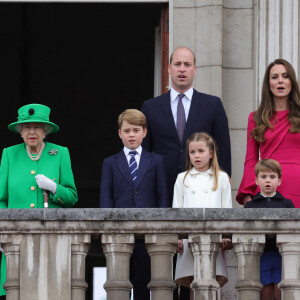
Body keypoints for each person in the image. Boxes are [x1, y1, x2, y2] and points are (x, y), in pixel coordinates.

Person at [0, 103, 78, 299]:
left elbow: (71, 197)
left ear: (46, 130)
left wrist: (54, 188)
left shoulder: (60, 153)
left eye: (37, 127)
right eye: (26, 127)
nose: (32, 132)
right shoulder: (9, 154)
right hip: (15, 242)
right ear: (20, 131)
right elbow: (1, 199)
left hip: (50, 240)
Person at [141, 47, 231, 205]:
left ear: (195, 69)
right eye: (177, 64)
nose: (182, 69)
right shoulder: (150, 107)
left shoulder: (212, 105)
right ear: (169, 68)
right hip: (162, 188)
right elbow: (145, 153)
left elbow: (223, 148)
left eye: (187, 64)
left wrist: (224, 180)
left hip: (204, 190)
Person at [99, 109, 169, 300]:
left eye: (136, 130)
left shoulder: (156, 161)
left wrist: (162, 230)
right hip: (119, 233)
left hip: (148, 235)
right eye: (127, 130)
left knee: (144, 283)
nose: (131, 134)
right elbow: (106, 198)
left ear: (145, 133)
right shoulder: (110, 163)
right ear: (119, 133)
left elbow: (162, 196)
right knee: (118, 283)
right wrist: (108, 229)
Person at [172, 132, 232, 299]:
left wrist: (226, 234)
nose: (196, 156)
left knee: (213, 281)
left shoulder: (222, 178)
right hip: (188, 238)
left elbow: (226, 208)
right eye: (192, 152)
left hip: (214, 237)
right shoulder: (182, 178)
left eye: (201, 151)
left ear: (211, 153)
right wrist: (177, 236)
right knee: (193, 283)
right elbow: (176, 210)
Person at [237, 58, 300, 207]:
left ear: (292, 82)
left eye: (285, 76)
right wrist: (247, 193)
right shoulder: (256, 118)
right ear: (268, 84)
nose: (280, 81)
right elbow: (251, 159)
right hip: (268, 187)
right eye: (274, 77)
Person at [244, 159, 294, 300]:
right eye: (263, 177)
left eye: (272, 177)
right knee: (264, 291)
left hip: (282, 256)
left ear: (279, 181)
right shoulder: (251, 206)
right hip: (261, 256)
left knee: (280, 290)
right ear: (256, 180)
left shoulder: (286, 204)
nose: (268, 180)